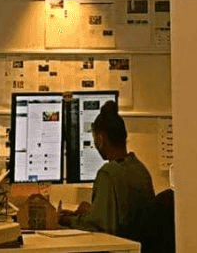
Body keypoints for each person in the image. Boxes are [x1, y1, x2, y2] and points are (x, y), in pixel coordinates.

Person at [59, 101, 154, 239]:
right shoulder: (140, 169)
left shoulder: (108, 173)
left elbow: (98, 226)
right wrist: (91, 212)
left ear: (100, 139)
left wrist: (64, 219)